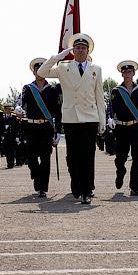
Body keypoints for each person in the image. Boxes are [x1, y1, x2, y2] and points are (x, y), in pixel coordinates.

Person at [37, 33, 106, 205]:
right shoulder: (63, 67)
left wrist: (102, 121)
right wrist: (58, 57)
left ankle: (87, 190)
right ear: (72, 51)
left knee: (88, 156)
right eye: (77, 48)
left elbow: (99, 97)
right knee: (73, 156)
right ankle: (76, 183)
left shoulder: (95, 69)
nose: (80, 50)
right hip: (71, 117)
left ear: (88, 50)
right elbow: (41, 72)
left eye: (83, 48)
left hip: (90, 117)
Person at [107, 60, 138, 197]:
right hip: (121, 128)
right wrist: (109, 117)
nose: (127, 74)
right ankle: (120, 172)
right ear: (122, 74)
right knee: (120, 158)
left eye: (129, 71)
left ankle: (135, 186)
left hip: (136, 128)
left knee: (137, 158)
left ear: (134, 73)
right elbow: (111, 107)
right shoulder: (116, 90)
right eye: (125, 72)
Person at [19, 58, 62, 198]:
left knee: (45, 158)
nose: (40, 72)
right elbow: (21, 103)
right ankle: (35, 173)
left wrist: (58, 131)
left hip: (46, 127)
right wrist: (18, 108)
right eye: (37, 70)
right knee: (31, 157)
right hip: (31, 127)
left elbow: (57, 111)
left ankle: (43, 187)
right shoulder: (28, 88)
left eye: (43, 69)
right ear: (34, 72)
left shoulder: (52, 90)